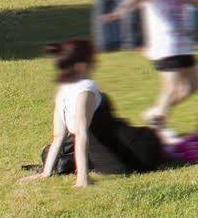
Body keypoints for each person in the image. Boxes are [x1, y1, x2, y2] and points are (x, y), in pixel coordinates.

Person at [21, 38, 163, 187]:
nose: (96, 63)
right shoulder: (85, 88)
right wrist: (82, 179)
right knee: (151, 140)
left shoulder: (63, 91)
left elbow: (59, 137)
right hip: (129, 154)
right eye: (93, 60)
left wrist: (46, 173)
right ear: (82, 66)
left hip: (104, 158)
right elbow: (81, 134)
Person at [103, 0, 198, 132]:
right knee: (171, 89)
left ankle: (156, 113)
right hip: (166, 46)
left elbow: (195, 0)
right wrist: (118, 12)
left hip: (184, 44)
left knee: (195, 85)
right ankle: (159, 128)